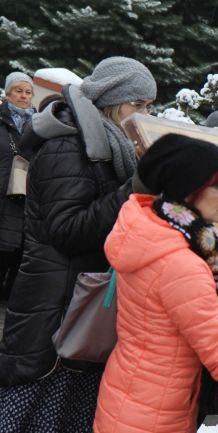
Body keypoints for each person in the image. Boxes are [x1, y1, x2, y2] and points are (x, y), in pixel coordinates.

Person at [0, 56, 156, 432]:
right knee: (33, 417)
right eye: (138, 105)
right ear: (112, 99)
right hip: (54, 312)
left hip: (82, 309)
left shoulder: (110, 145)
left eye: (150, 107)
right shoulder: (69, 145)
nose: (144, 116)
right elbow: (67, 230)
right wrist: (134, 190)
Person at [93, 134, 218, 433]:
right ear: (190, 190)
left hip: (130, 392)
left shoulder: (152, 229)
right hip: (152, 414)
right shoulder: (181, 264)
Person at [0, 72, 34, 300]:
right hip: (2, 195)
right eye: (18, 91)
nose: (23, 96)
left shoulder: (38, 126)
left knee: (17, 252)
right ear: (8, 93)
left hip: (25, 198)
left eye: (28, 92)